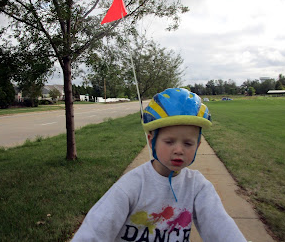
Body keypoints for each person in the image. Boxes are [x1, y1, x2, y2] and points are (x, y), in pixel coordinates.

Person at [72, 88, 246, 242]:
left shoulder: (197, 187)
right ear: (151, 141)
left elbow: (221, 227)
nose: (179, 150)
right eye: (169, 141)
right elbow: (96, 229)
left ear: (198, 145)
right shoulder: (131, 186)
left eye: (188, 143)